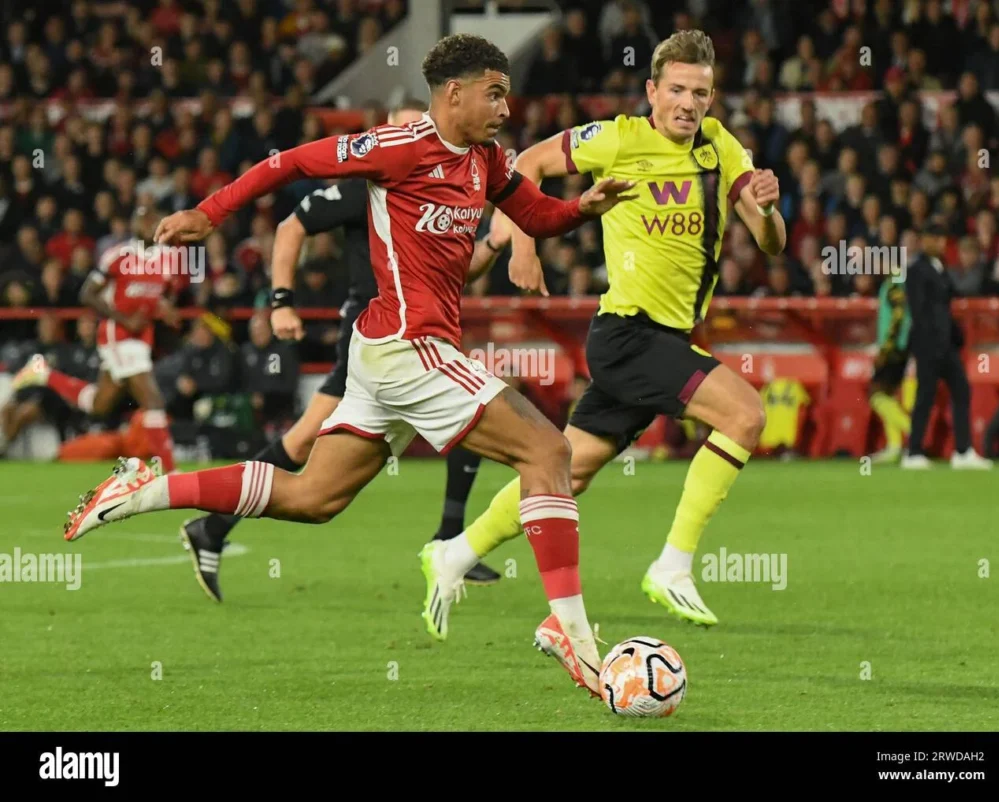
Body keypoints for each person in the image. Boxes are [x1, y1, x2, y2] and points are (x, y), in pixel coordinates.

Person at [62, 33, 638, 697]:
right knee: (549, 450)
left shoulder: (486, 159)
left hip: (389, 353)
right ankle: (573, 633)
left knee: (313, 498)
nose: (506, 108)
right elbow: (290, 163)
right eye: (495, 93)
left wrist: (581, 208)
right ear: (454, 93)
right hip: (407, 347)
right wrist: (210, 212)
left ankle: (144, 491)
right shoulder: (398, 147)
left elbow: (535, 213)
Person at [418, 29, 785, 634]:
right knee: (745, 415)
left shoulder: (721, 148)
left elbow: (771, 242)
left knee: (566, 472)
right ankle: (673, 565)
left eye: (700, 93)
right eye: (676, 90)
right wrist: (523, 244)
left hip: (668, 339)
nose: (688, 104)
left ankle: (455, 553)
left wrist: (767, 210)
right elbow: (527, 163)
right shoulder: (617, 138)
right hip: (629, 335)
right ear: (652, 91)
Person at [179, 99, 507, 604]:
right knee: (463, 412)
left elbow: (461, 274)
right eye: (399, 128)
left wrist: (494, 244)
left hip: (415, 335)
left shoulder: (442, 185)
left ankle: (212, 528)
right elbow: (291, 226)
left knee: (307, 442)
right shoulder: (367, 183)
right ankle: (449, 538)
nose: (409, 137)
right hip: (374, 336)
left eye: (416, 127)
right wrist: (281, 301)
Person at [11, 207, 178, 472]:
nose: (148, 225)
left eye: (153, 220)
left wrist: (164, 308)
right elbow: (87, 294)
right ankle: (171, 471)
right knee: (153, 401)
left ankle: (44, 373)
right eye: (142, 219)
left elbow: (157, 295)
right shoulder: (118, 255)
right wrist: (124, 319)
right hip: (118, 335)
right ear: (134, 225)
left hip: (142, 337)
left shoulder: (167, 260)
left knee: (100, 404)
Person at [901, 223, 991, 469]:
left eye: (942, 239)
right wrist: (929, 344)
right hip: (929, 345)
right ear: (925, 240)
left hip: (946, 344)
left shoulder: (939, 267)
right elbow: (919, 311)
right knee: (925, 396)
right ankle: (913, 452)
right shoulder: (916, 269)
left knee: (961, 390)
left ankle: (963, 451)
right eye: (936, 238)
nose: (940, 243)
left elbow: (949, 300)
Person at [867, 273, 912, 463]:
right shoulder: (896, 282)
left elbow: (898, 316)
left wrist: (885, 348)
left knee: (876, 395)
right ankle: (894, 446)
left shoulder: (894, 283)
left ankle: (913, 431)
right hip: (899, 347)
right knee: (889, 396)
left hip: (894, 348)